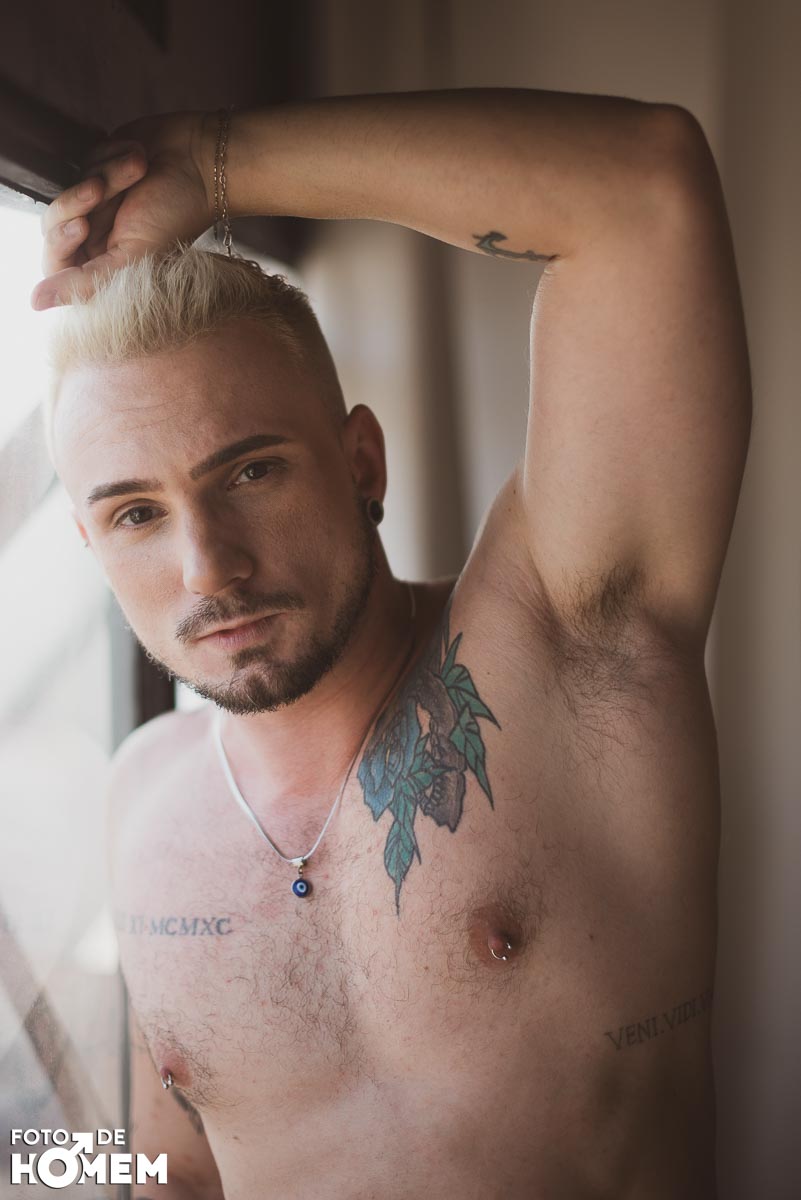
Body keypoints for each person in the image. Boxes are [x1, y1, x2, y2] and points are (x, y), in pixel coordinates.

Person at [33, 89, 751, 1199]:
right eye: (136, 514)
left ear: (360, 464)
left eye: (251, 472)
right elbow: (171, 1173)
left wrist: (215, 165)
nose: (207, 568)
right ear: (90, 542)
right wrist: (33, 1163)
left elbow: (640, 189)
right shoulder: (141, 797)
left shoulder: (569, 652)